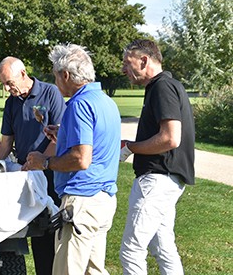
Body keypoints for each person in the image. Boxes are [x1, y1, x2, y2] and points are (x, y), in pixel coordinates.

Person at [24, 43, 120, 275]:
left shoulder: (79, 105)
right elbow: (96, 142)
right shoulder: (105, 101)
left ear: (65, 75)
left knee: (67, 270)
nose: (56, 82)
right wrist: (64, 134)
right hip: (104, 199)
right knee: (93, 270)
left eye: (56, 76)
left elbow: (81, 159)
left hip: (82, 201)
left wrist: (44, 162)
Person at [119, 39, 195, 275]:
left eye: (127, 63)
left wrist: (130, 147)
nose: (123, 69)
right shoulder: (163, 86)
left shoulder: (162, 87)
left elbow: (170, 138)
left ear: (144, 60)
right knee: (163, 248)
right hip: (166, 180)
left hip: (158, 179)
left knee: (131, 250)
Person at [0, 56, 65, 275]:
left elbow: (60, 138)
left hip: (51, 173)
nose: (6, 88)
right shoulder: (12, 103)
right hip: (26, 176)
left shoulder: (50, 93)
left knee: (54, 232)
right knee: (37, 232)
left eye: (9, 83)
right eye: (3, 84)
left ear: (23, 73)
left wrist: (40, 163)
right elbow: (6, 144)